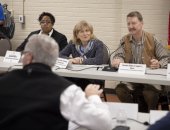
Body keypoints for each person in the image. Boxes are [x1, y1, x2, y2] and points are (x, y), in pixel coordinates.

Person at [0, 34, 112, 130]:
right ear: (54, 61)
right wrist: (93, 97)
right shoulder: (68, 91)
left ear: (28, 57)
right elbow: (104, 123)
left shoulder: (3, 83)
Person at [110, 11, 169, 112]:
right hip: (131, 78)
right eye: (128, 23)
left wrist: (158, 63)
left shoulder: (152, 39)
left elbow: (166, 57)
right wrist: (118, 61)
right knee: (120, 89)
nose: (130, 26)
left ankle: (151, 115)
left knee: (149, 93)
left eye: (133, 23)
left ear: (141, 23)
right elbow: (119, 55)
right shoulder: (124, 40)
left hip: (150, 78)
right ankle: (133, 111)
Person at [59, 20, 109, 90]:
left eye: (87, 31)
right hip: (76, 74)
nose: (85, 34)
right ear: (77, 34)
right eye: (81, 31)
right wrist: (71, 60)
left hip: (93, 77)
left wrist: (81, 61)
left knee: (81, 83)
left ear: (91, 32)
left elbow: (99, 60)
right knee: (61, 79)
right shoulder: (72, 43)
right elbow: (60, 55)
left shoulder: (98, 44)